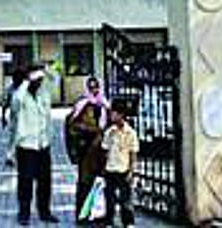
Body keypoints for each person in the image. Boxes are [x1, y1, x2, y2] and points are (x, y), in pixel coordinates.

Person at [9, 64, 60, 226]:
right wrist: (26, 81)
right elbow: (16, 103)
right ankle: (24, 213)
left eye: (40, 80)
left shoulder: (43, 93)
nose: (39, 82)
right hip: (26, 145)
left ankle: (44, 211)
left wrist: (45, 69)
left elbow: (56, 79)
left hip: (43, 143)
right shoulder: (20, 94)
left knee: (45, 181)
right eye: (37, 80)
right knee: (26, 181)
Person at [68, 76, 110, 222]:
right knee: (85, 183)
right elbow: (72, 126)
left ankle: (99, 214)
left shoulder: (105, 105)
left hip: (101, 151)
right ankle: (83, 214)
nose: (94, 90)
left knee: (101, 183)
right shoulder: (82, 105)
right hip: (86, 151)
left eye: (96, 87)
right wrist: (90, 130)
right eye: (91, 88)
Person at [102, 98, 139, 228]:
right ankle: (109, 221)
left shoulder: (131, 133)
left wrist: (131, 171)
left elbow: (133, 153)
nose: (112, 115)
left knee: (126, 199)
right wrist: (104, 168)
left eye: (114, 113)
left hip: (124, 169)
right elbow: (105, 150)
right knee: (110, 199)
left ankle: (128, 222)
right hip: (110, 169)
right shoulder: (109, 132)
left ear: (121, 114)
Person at [2, 67, 26, 167]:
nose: (15, 80)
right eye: (14, 78)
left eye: (18, 78)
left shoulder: (26, 89)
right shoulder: (11, 89)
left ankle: (20, 157)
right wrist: (3, 117)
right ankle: (10, 157)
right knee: (13, 137)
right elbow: (5, 103)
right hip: (15, 117)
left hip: (25, 117)